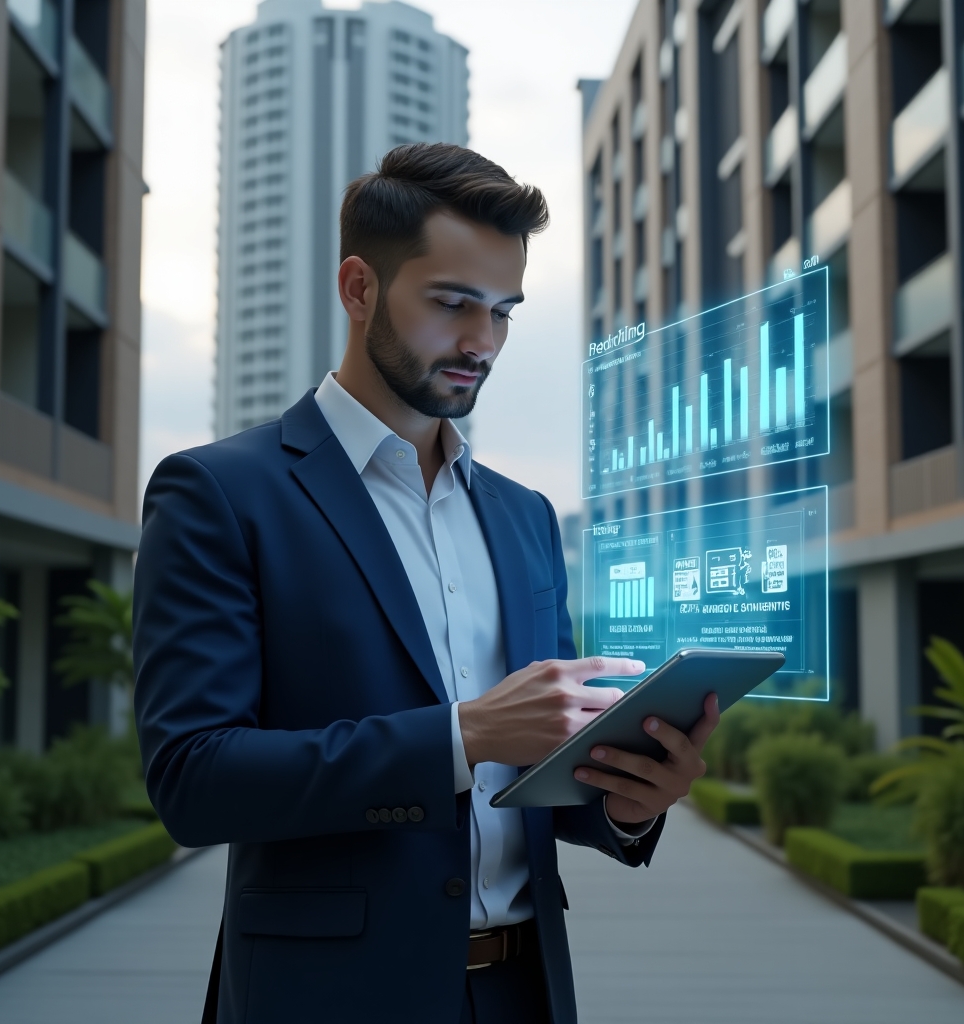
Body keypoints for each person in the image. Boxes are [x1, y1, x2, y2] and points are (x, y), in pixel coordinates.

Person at [133, 143, 719, 1024]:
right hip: (326, 1001)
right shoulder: (221, 493)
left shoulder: (525, 516)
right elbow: (193, 778)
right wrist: (463, 734)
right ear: (359, 288)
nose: (482, 341)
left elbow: (541, 779)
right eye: (452, 304)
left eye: (503, 312)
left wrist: (629, 801)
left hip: (523, 992)